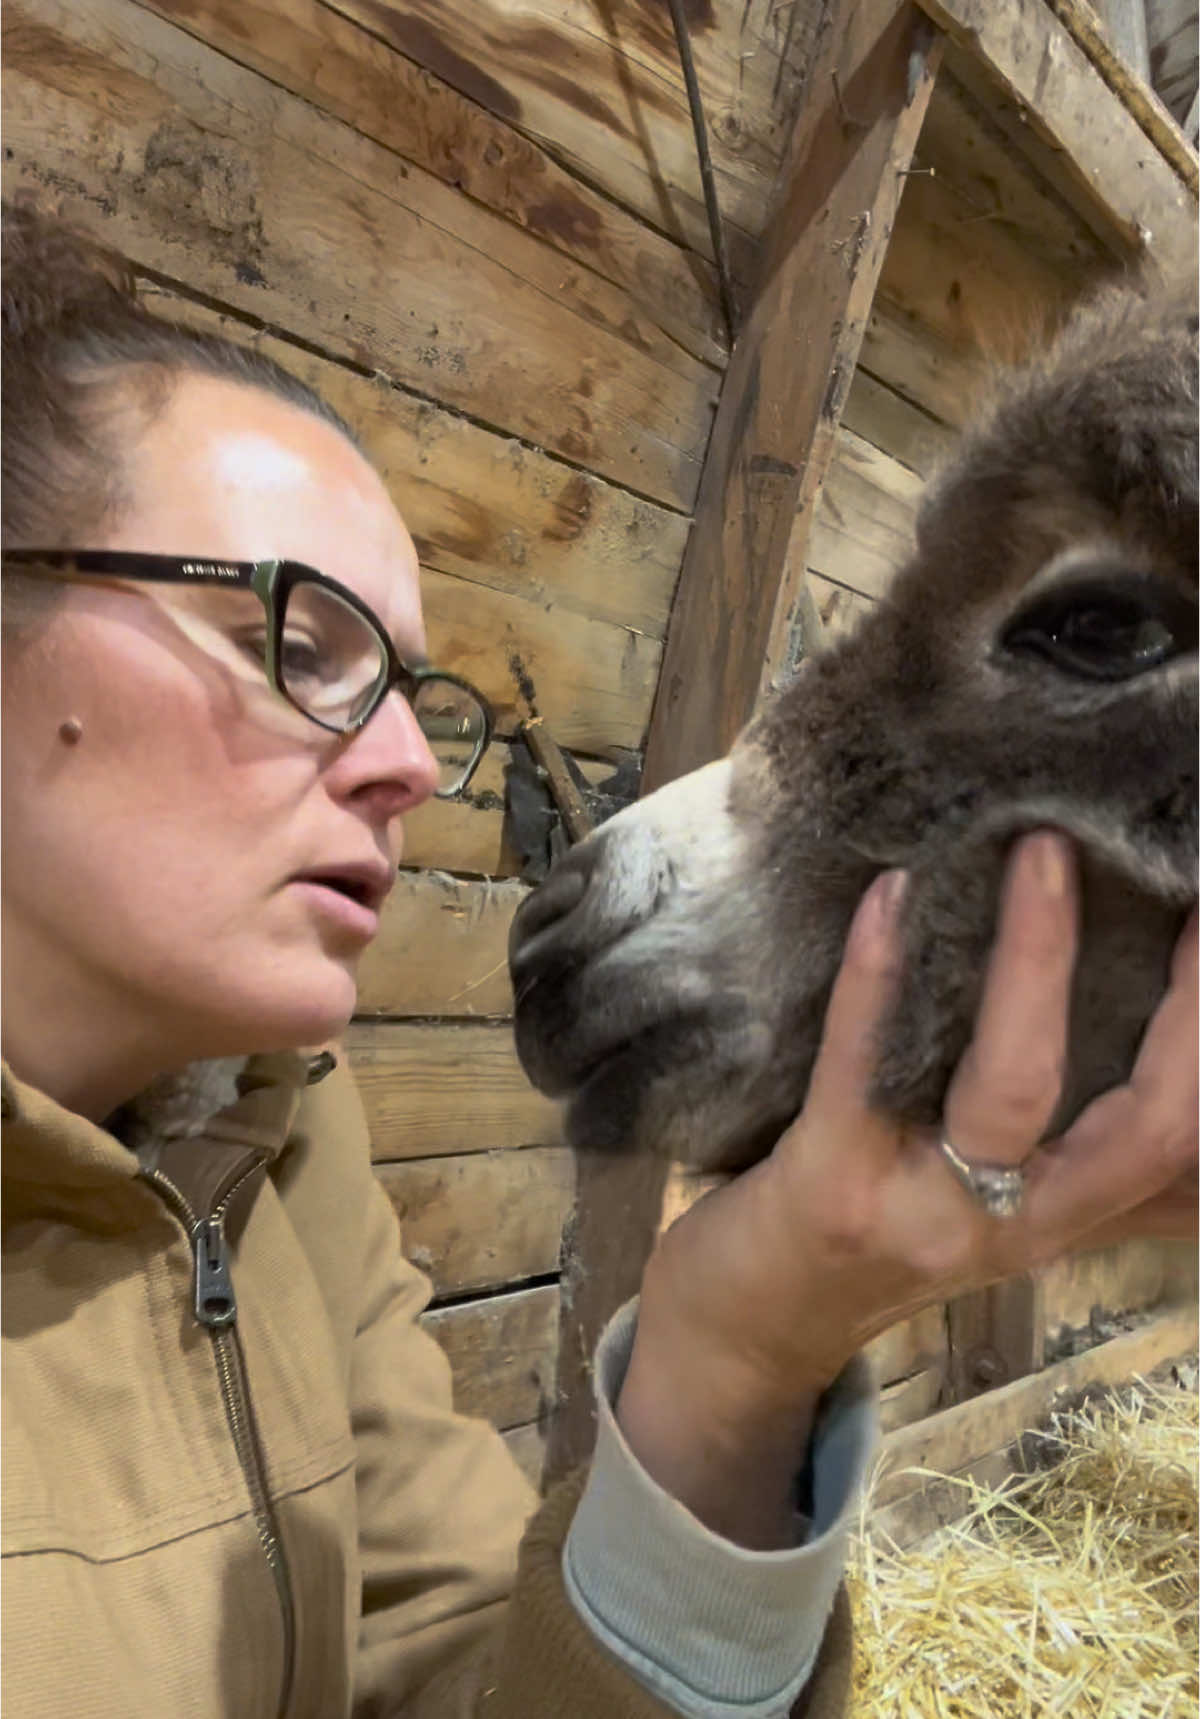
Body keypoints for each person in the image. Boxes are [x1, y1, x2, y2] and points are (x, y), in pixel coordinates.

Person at [2, 203, 1195, 1719]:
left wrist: (745, 1350)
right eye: (295, 647)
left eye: (406, 688)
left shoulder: (275, 1159)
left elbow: (473, 1686)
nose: (403, 767)